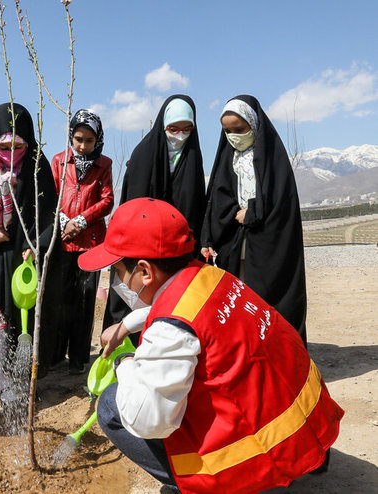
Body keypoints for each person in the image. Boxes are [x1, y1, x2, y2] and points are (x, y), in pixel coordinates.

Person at [78, 198, 343, 494]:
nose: (115, 279)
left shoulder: (170, 331)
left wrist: (124, 363)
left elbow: (149, 421)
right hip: (307, 426)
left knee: (113, 405)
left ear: (144, 271)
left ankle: (216, 484)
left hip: (259, 458)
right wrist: (127, 325)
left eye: (117, 270)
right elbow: (185, 305)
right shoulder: (211, 276)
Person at [200, 95, 308, 345]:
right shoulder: (229, 157)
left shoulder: (273, 158)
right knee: (239, 298)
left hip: (268, 242)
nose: (233, 136)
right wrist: (210, 234)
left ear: (254, 125)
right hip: (236, 240)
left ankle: (279, 351)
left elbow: (279, 199)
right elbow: (216, 198)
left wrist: (253, 212)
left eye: (239, 129)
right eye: (227, 131)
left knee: (268, 298)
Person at [0, 102, 59, 394]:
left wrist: (37, 245)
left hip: (25, 257)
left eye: (18, 145)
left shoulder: (37, 166)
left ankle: (24, 377)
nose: (11, 152)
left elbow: (49, 212)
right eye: (4, 145)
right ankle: (3, 379)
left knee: (26, 316)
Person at [104, 95, 206, 337]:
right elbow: (134, 206)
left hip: (175, 247)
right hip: (142, 243)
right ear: (163, 126)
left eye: (186, 129)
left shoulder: (193, 156)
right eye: (173, 128)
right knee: (135, 296)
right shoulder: (143, 155)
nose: (180, 135)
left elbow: (195, 204)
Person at [50, 109, 113, 374]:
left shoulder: (105, 164)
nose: (83, 145)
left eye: (89, 140)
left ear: (97, 140)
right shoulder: (58, 162)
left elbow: (107, 200)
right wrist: (65, 223)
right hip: (63, 241)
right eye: (78, 138)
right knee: (59, 298)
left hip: (91, 243)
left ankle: (78, 358)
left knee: (85, 300)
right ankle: (54, 355)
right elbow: (51, 195)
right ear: (70, 136)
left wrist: (82, 221)